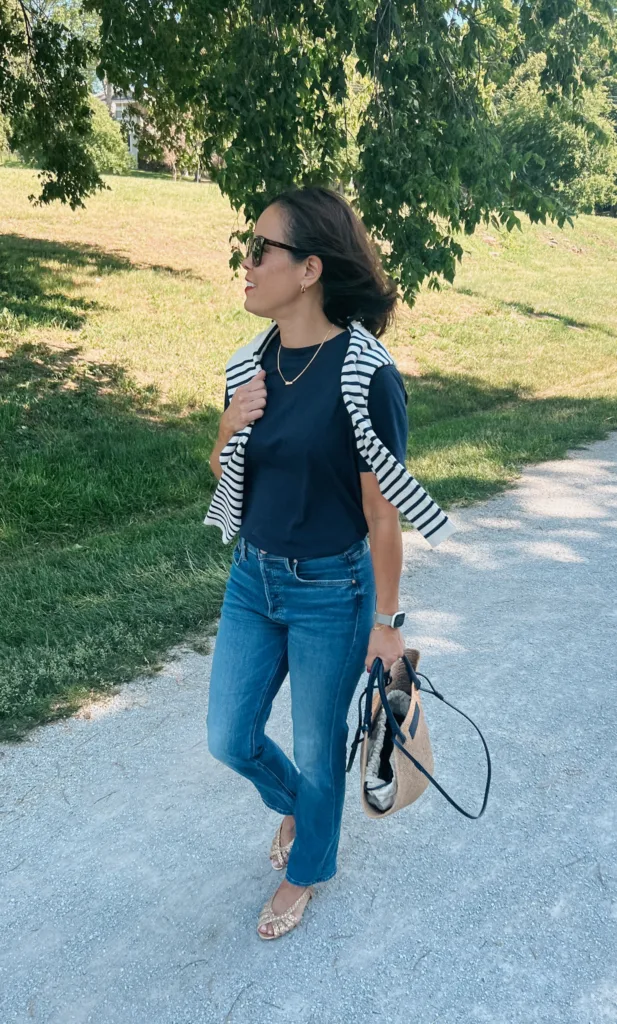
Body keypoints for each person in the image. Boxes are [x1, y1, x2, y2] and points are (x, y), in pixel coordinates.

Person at [206, 185, 414, 940]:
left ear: (309, 270)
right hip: (251, 579)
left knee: (319, 755)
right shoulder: (248, 365)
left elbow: (381, 513)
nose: (247, 262)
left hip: (332, 591)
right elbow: (226, 471)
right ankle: (299, 807)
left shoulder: (364, 375)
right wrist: (226, 426)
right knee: (229, 737)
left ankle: (308, 868)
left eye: (261, 249)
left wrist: (386, 623)